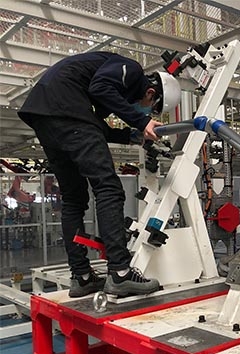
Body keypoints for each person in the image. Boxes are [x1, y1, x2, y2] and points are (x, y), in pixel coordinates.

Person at [18, 52, 181, 298]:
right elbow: (99, 90)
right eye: (153, 108)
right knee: (109, 188)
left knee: (74, 198)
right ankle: (121, 273)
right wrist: (142, 121)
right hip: (66, 109)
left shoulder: (101, 85)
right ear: (151, 93)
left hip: (45, 117)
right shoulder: (132, 69)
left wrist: (131, 136)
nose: (148, 111)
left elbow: (94, 124)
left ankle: (82, 277)